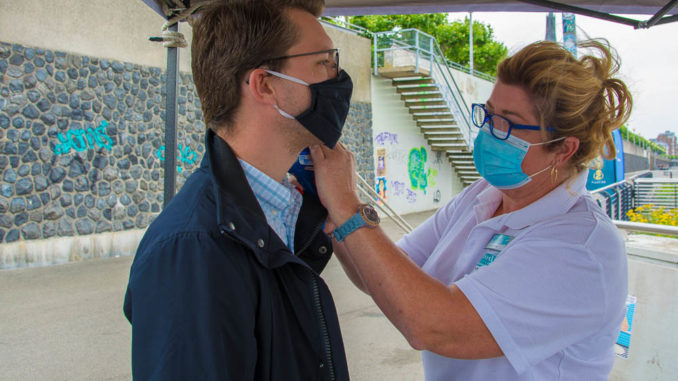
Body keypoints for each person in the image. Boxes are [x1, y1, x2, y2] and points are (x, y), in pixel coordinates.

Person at [310, 39, 632, 380]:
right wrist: (329, 212)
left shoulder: (582, 247)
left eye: (507, 123)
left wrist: (348, 206)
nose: (488, 131)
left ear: (563, 150)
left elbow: (435, 326)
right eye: (488, 113)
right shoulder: (483, 196)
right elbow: (380, 275)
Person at [123, 1, 352, 380]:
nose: (338, 77)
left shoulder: (277, 214)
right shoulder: (194, 249)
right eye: (324, 61)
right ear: (264, 85)